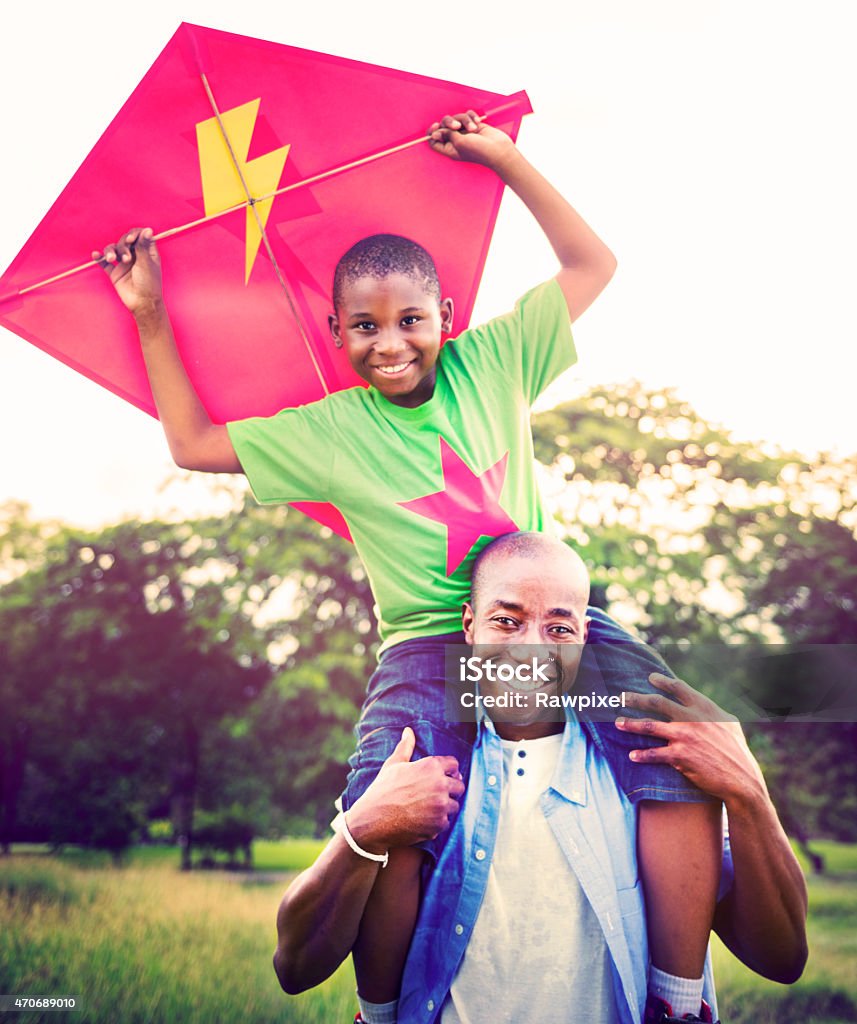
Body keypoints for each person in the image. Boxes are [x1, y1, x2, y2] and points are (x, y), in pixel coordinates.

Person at [96, 111, 721, 1017]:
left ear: (446, 320)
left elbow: (593, 266)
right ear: (335, 331)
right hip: (430, 643)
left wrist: (505, 159)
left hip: (546, 621)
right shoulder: (329, 431)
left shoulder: (497, 360)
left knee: (683, 753)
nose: (389, 344)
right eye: (364, 327)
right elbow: (193, 443)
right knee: (395, 809)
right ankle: (385, 1012)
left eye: (410, 321)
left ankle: (676, 995)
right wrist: (150, 309)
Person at [273, 533, 808, 1023]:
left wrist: (750, 791)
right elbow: (296, 968)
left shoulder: (644, 772)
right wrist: (362, 833)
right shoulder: (413, 771)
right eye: (507, 621)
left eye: (558, 628)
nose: (532, 649)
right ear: (469, 626)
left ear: (583, 637)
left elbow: (782, 957)